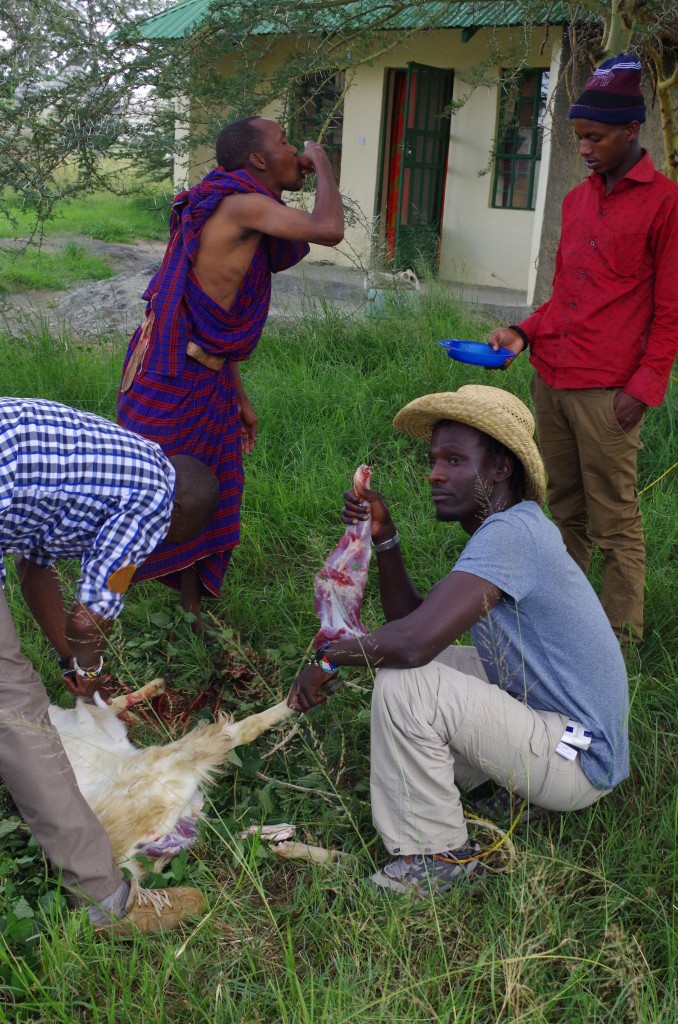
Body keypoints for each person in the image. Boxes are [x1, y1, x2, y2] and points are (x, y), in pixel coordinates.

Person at [287, 385, 629, 896]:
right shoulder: (508, 530)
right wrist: (385, 535)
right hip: (557, 725)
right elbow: (416, 625)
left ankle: (438, 858)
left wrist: (328, 657)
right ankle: (488, 790)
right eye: (433, 460)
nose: (435, 474)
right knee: (405, 667)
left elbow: (413, 642)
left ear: (500, 469)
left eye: (454, 460)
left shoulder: (512, 535)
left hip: (580, 758)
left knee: (409, 684)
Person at [118, 116, 345, 634]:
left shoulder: (245, 205)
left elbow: (213, 317)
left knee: (209, 491)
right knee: (153, 494)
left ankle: (190, 611)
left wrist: (237, 392)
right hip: (170, 372)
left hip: (206, 372)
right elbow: (329, 229)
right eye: (286, 143)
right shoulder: (241, 204)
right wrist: (326, 165)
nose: (296, 153)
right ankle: (108, 596)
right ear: (258, 161)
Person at [0, 396, 219, 934]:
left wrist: (71, 667)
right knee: (15, 706)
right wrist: (92, 672)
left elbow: (35, 568)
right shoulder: (154, 501)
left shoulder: (119, 455)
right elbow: (90, 617)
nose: (156, 548)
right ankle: (103, 902)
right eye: (169, 542)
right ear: (180, 513)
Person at [488, 53, 678, 644]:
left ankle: (619, 638)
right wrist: (524, 332)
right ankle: (563, 617)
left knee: (614, 518)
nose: (586, 148)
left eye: (595, 137)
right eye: (579, 138)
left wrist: (641, 390)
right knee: (563, 507)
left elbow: (670, 313)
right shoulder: (576, 202)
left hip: (608, 394)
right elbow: (564, 298)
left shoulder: (666, 204)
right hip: (553, 380)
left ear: (630, 130)